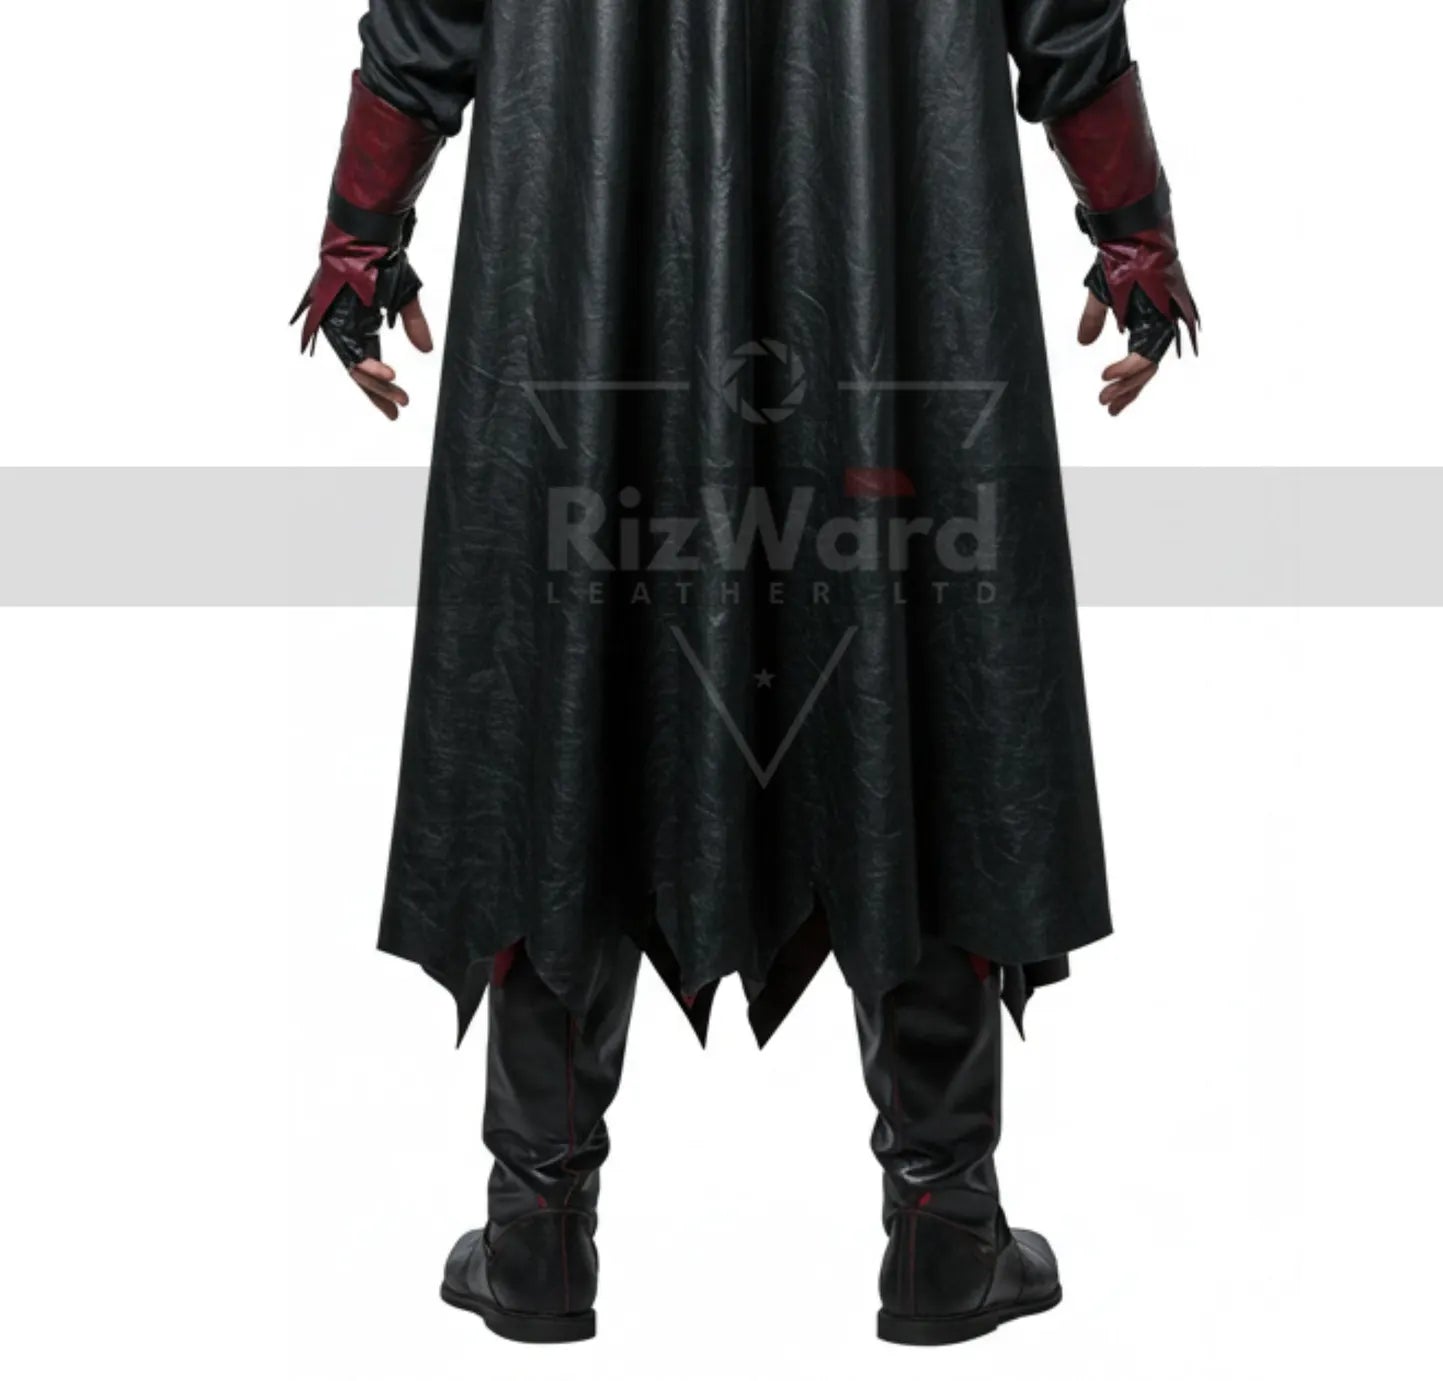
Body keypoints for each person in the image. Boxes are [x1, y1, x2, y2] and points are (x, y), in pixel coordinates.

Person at [295, 0, 1197, 1348]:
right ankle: (945, 1219)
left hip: (589, 260)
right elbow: (1066, 25)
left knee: (575, 674)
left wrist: (360, 240)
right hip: (886, 257)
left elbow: (424, 29)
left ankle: (536, 1221)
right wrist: (1133, 237)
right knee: (912, 665)